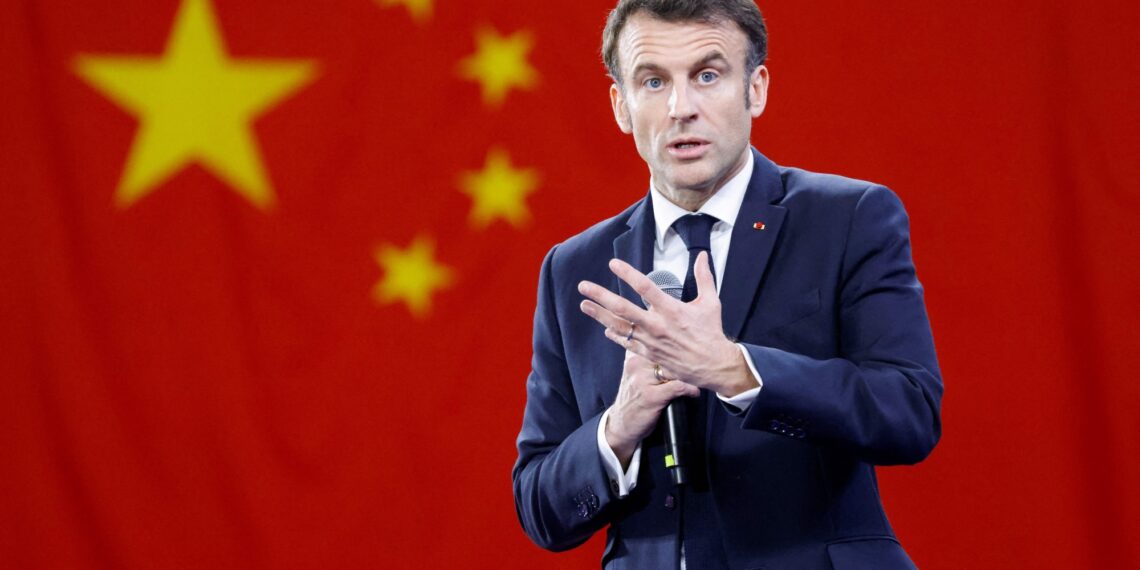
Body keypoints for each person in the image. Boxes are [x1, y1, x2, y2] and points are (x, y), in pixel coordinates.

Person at [512, 0, 942, 567]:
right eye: (653, 81)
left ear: (754, 89)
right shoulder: (575, 268)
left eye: (708, 76)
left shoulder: (848, 218)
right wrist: (617, 427)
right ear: (621, 105)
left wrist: (736, 370)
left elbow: (908, 413)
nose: (681, 108)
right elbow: (540, 508)